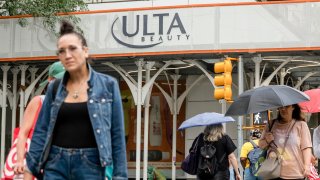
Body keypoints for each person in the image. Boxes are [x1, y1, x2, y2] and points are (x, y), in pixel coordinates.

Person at [25, 20, 127, 179]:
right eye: (61, 51)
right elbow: (41, 132)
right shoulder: (54, 88)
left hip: (91, 165)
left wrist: (119, 176)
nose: (67, 55)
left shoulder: (108, 85)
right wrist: (29, 170)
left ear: (85, 51)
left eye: (73, 48)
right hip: (55, 163)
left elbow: (117, 137)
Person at [1, 62, 65, 180]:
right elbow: (23, 133)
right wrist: (20, 160)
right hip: (34, 158)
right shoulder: (38, 101)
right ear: (50, 80)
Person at [259, 104, 312, 179]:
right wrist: (267, 140)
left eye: (287, 106)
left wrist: (307, 166)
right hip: (273, 172)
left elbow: (306, 147)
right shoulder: (271, 124)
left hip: (295, 173)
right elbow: (261, 145)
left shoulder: (301, 125)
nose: (283, 109)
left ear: (293, 107)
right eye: (281, 107)